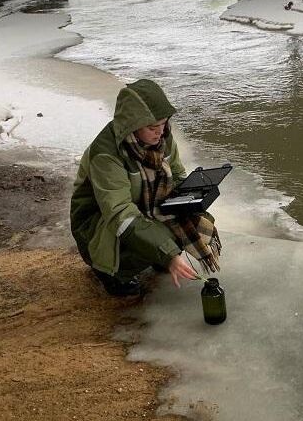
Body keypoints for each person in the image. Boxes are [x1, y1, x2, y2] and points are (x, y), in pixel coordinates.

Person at [70, 79, 222, 296]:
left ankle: (157, 253)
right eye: (152, 127)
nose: (160, 132)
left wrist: (192, 198)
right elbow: (120, 215)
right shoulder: (106, 155)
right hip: (98, 225)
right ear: (132, 125)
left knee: (193, 220)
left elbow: (177, 175)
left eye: (163, 124)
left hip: (143, 206)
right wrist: (168, 253)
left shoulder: (162, 138)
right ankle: (111, 273)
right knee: (161, 240)